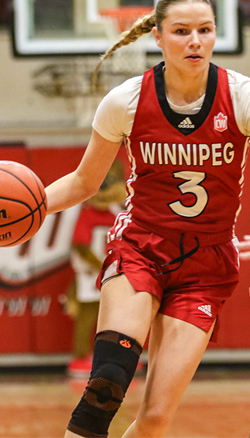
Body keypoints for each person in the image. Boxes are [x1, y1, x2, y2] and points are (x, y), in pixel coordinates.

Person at [44, 0, 250, 436]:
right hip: (141, 246)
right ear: (157, 35)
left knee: (155, 419)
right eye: (181, 31)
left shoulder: (240, 97)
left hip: (207, 265)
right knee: (107, 385)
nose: (195, 41)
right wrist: (33, 206)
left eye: (205, 30)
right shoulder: (126, 100)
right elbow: (84, 182)